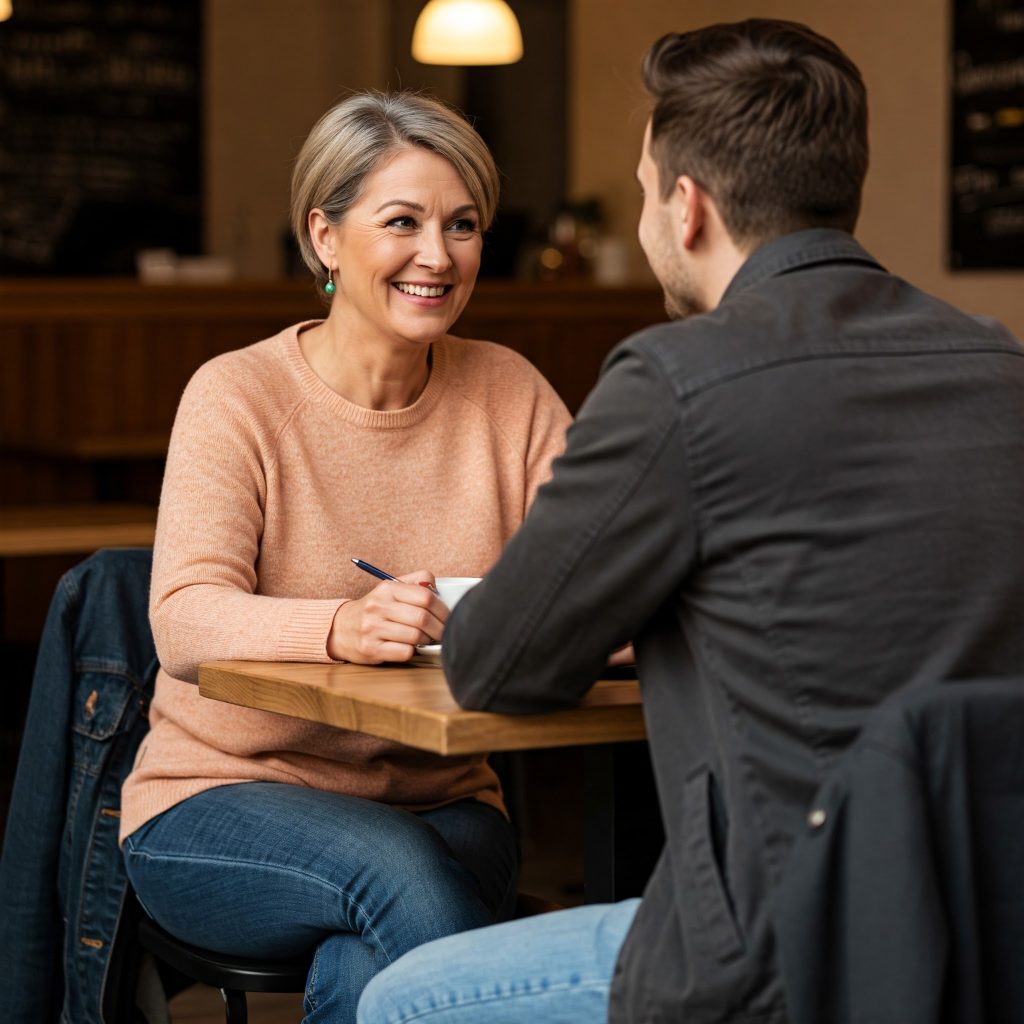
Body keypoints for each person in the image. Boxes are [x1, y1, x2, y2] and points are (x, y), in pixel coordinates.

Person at [356, 19, 1024, 1024]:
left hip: (777, 952)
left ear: (687, 205)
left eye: (638, 192)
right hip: (994, 931)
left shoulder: (676, 383)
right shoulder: (999, 366)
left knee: (398, 999)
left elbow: (496, 665)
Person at [118, 91, 572, 1024]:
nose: (437, 256)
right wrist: (342, 625)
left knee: (371, 962)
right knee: (397, 873)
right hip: (221, 803)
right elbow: (183, 619)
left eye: (463, 225)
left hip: (443, 805)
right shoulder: (237, 395)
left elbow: (596, 582)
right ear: (324, 236)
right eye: (401, 222)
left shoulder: (512, 394)